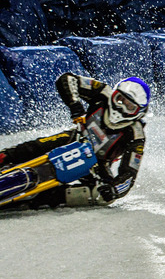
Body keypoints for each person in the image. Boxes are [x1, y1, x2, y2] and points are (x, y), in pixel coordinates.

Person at [0, 73, 150, 209]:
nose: (121, 108)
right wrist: (75, 105)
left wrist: (114, 190)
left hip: (98, 164)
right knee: (35, 146)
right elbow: (67, 79)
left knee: (101, 197)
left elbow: (129, 175)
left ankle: (38, 200)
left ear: (138, 113)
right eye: (119, 99)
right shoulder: (102, 92)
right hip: (76, 136)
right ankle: (4, 156)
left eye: (129, 107)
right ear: (113, 95)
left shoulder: (136, 135)